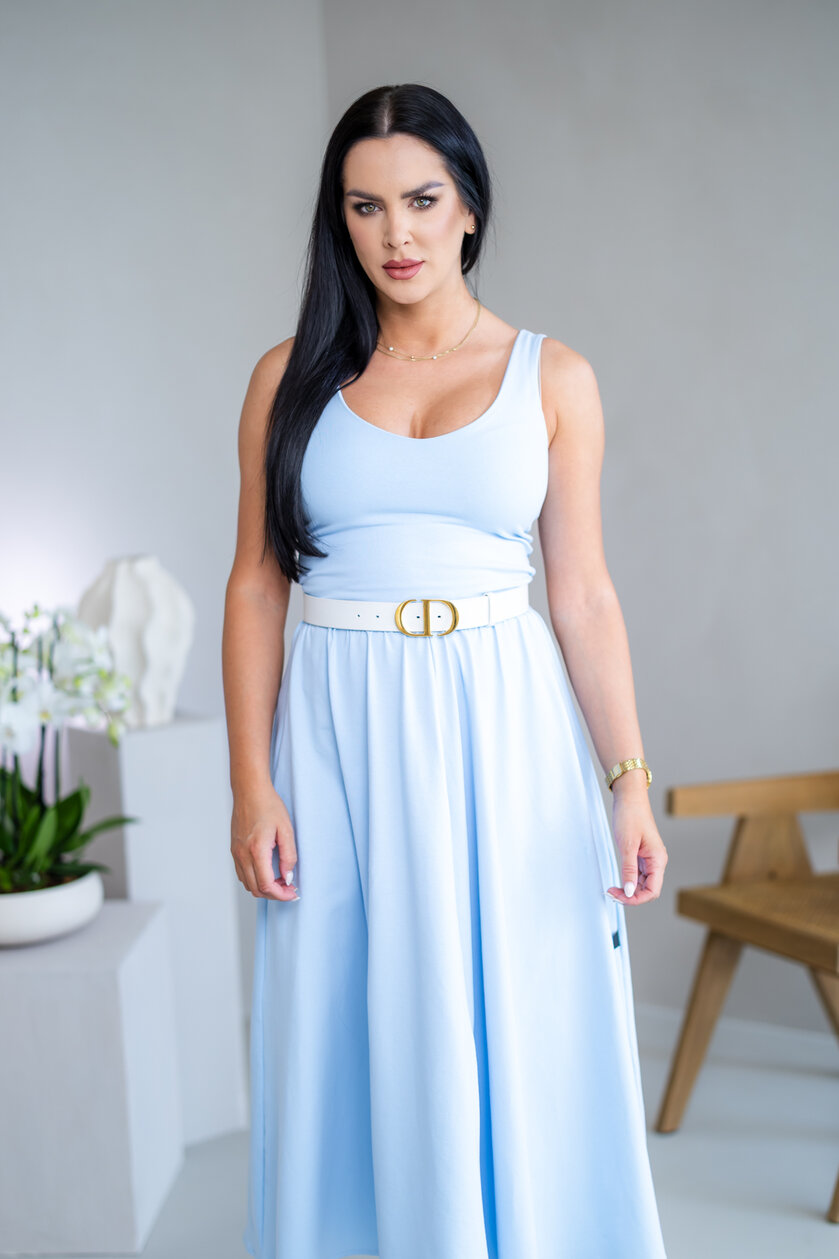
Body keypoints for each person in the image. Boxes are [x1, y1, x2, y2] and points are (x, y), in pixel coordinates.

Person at [223, 82, 669, 1259]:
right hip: (336, 735)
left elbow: (582, 594)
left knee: (520, 1009)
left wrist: (626, 780)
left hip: (502, 730)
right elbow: (256, 588)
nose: (397, 235)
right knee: (341, 1018)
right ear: (338, 219)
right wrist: (251, 783)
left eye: (421, 200)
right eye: (365, 207)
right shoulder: (287, 378)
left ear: (469, 204)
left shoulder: (551, 376)